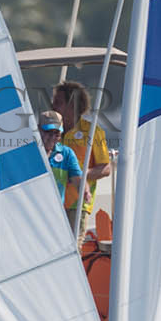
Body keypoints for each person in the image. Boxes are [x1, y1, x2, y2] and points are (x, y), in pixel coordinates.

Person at [51, 81, 112, 235]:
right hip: (51, 201)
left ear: (73, 105)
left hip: (77, 203)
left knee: (74, 246)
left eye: (58, 102)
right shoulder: (50, 132)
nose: (52, 106)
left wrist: (77, 177)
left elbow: (105, 168)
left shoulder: (92, 132)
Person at [37, 111, 83, 216]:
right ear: (38, 129)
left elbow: (78, 180)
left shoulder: (67, 153)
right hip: (30, 213)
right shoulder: (29, 152)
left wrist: (85, 191)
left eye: (57, 133)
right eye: (49, 132)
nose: (53, 137)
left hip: (56, 214)